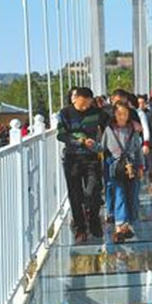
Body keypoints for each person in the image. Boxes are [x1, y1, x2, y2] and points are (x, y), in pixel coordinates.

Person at [57, 87, 109, 243]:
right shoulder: (65, 113)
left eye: (88, 104)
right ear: (76, 99)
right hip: (72, 157)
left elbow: (112, 124)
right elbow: (61, 135)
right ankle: (80, 228)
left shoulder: (97, 113)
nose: (86, 107)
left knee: (93, 190)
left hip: (92, 157)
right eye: (83, 104)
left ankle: (94, 222)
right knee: (75, 194)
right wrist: (79, 141)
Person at [101, 101, 144, 242]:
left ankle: (127, 224)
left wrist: (141, 166)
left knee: (132, 195)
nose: (122, 116)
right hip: (116, 167)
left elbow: (138, 149)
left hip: (132, 165)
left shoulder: (133, 129)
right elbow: (103, 147)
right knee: (119, 194)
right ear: (114, 114)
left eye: (125, 113)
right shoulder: (109, 130)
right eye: (119, 113)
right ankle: (120, 226)